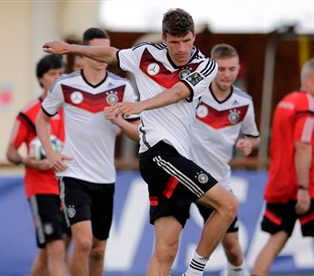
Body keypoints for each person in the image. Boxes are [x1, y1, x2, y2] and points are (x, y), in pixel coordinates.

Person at [42, 9, 238, 276]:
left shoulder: (205, 65)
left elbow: (178, 91)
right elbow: (111, 54)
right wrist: (70, 48)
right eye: (175, 42)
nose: (182, 48)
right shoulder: (145, 54)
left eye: (187, 40)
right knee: (228, 205)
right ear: (164, 38)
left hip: (176, 158)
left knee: (165, 251)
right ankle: (195, 272)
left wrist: (140, 105)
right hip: (159, 155)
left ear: (193, 37)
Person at [37, 28, 140, 276]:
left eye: (107, 50)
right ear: (84, 54)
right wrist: (51, 153)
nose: (103, 56)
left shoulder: (122, 87)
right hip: (74, 174)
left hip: (105, 177)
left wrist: (119, 122)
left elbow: (137, 132)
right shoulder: (65, 85)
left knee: (98, 249)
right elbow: (43, 119)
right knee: (83, 242)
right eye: (96, 50)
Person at [252, 58, 314, 276]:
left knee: (277, 238)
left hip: (280, 182)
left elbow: (287, 147)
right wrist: (303, 187)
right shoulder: (309, 106)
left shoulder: (286, 101)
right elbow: (302, 146)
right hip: (307, 186)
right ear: (309, 80)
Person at [190, 44, 260, 276]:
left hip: (218, 183)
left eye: (232, 69)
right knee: (168, 244)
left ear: (238, 69)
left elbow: (254, 136)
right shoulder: (194, 94)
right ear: (211, 68)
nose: (227, 74)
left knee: (233, 250)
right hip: (184, 177)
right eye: (221, 69)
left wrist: (248, 143)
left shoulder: (243, 103)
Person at [6, 54, 70, 276]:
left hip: (70, 185)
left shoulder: (72, 108)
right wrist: (27, 161)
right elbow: (11, 151)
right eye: (53, 73)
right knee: (56, 246)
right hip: (42, 189)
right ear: (41, 79)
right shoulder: (29, 112)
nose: (58, 77)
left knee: (50, 251)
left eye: (61, 73)